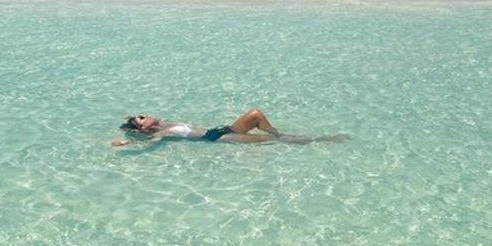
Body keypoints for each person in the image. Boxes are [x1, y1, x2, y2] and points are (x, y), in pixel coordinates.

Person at [111, 108, 347, 147]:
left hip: (222, 129)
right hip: (218, 139)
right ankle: (322, 140)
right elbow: (152, 144)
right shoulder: (161, 133)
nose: (146, 115)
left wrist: (132, 124)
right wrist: (128, 142)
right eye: (142, 118)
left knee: (255, 114)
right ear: (143, 128)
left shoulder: (166, 122)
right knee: (274, 143)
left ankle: (280, 133)